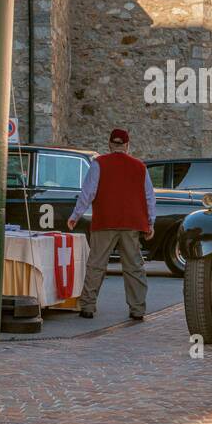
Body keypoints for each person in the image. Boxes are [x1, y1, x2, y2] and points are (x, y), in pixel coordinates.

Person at [67, 128, 155, 321]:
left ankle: (88, 306)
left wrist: (76, 215)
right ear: (127, 145)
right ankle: (137, 309)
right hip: (132, 222)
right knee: (134, 267)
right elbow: (149, 197)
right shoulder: (140, 167)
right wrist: (150, 222)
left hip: (105, 220)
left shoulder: (99, 164)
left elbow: (88, 192)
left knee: (96, 264)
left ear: (109, 144)